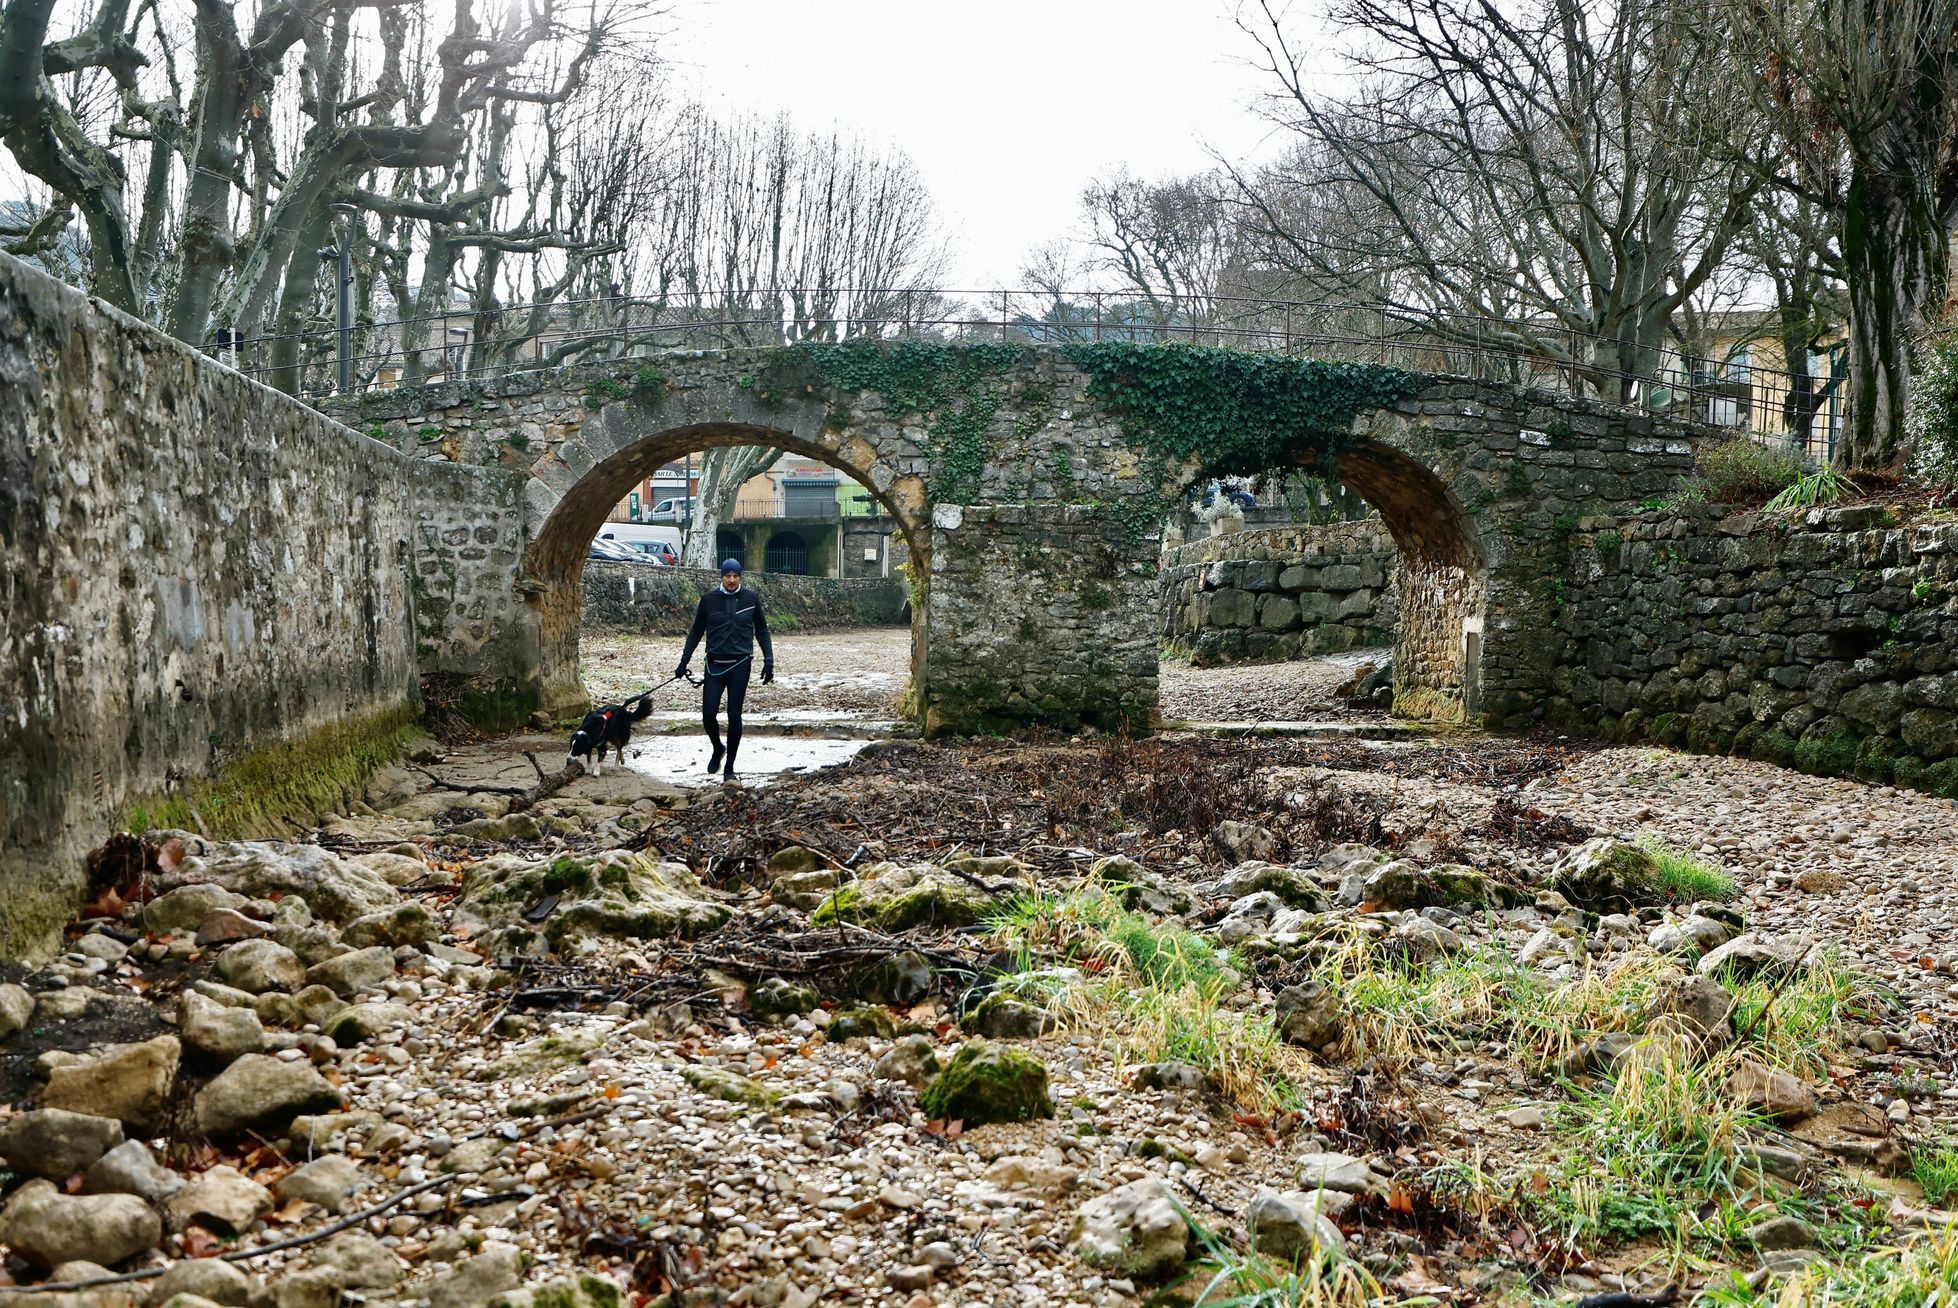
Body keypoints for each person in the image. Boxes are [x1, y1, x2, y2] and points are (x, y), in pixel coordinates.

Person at [676, 559, 774, 781]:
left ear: (740, 577)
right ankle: (718, 747)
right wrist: (684, 662)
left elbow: (762, 630)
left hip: (741, 664)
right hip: (714, 664)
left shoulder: (751, 598)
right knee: (708, 714)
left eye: (735, 576)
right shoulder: (708, 600)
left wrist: (769, 660)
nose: (731, 580)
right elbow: (696, 631)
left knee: (734, 714)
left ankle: (729, 768)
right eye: (727, 576)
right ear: (721, 576)